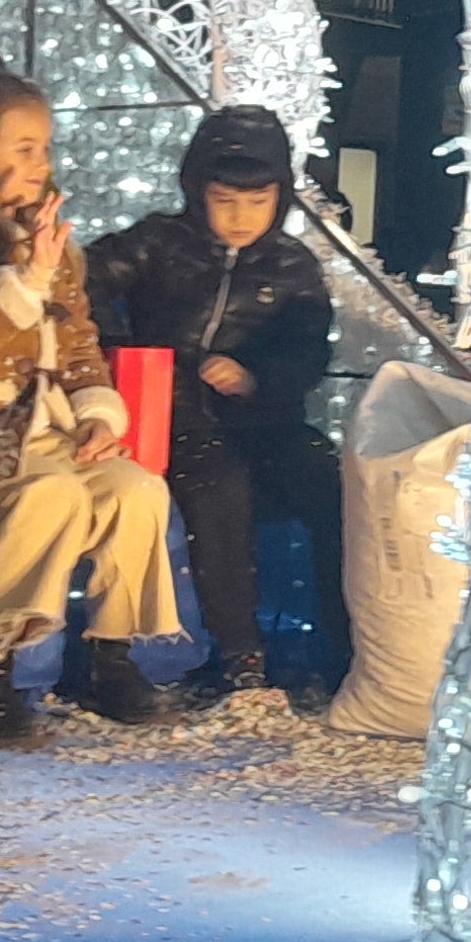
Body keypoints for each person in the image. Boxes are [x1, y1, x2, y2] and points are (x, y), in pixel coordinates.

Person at [0, 68, 183, 745]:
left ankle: (110, 654)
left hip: (43, 433)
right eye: (19, 148)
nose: (37, 164)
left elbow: (77, 336)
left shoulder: (52, 241)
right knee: (51, 495)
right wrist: (25, 274)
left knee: (135, 490)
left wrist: (96, 411)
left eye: (43, 149)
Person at [87, 105, 342, 708]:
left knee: (327, 476)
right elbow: (87, 278)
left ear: (279, 199)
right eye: (225, 201)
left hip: (265, 423)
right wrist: (121, 351)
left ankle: (347, 646)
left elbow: (308, 348)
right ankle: (240, 654)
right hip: (171, 419)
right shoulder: (157, 243)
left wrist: (256, 377)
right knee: (218, 482)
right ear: (197, 191)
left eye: (257, 203)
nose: (240, 218)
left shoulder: (292, 267)